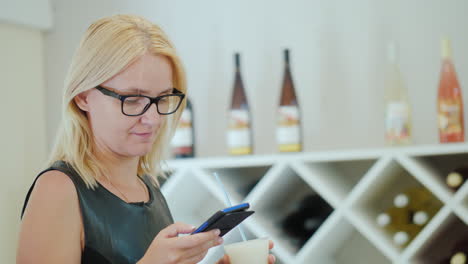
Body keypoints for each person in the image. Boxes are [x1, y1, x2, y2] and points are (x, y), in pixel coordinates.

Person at [16, 14, 275, 264]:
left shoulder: (147, 183)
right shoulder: (59, 189)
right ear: (83, 97)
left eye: (162, 98)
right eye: (133, 99)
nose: (153, 118)